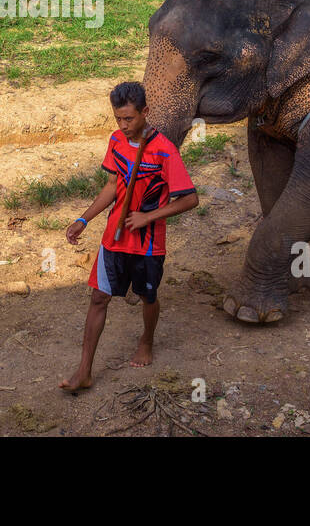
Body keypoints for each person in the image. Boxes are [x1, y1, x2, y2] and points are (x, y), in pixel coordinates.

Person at [59, 82, 198, 392]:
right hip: (113, 237)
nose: (122, 126)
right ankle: (84, 371)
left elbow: (190, 199)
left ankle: (146, 341)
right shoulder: (116, 142)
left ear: (145, 112)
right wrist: (84, 218)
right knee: (98, 298)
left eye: (129, 119)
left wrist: (148, 216)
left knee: (148, 296)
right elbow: (111, 186)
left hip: (148, 244)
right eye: (118, 119)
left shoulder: (164, 150)